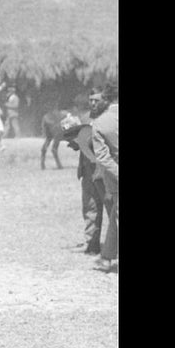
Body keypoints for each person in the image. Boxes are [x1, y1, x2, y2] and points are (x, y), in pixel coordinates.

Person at [63, 88, 108, 256]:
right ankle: (92, 244)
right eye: (91, 100)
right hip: (88, 172)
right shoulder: (85, 118)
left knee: (113, 210)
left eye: (97, 100)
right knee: (90, 208)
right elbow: (80, 145)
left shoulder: (111, 119)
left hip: (105, 171)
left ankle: (113, 247)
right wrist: (71, 137)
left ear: (105, 100)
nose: (93, 103)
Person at [90, 84, 118, 273]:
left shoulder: (100, 123)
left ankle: (106, 258)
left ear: (106, 99)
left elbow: (102, 157)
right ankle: (106, 257)